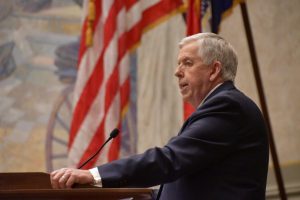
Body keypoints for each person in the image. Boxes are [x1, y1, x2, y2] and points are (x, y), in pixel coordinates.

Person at [50, 33, 269, 200]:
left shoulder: (229, 107)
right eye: (178, 63)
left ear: (214, 71)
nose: (177, 71)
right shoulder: (221, 108)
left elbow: (169, 160)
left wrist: (94, 176)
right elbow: (186, 184)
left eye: (187, 63)